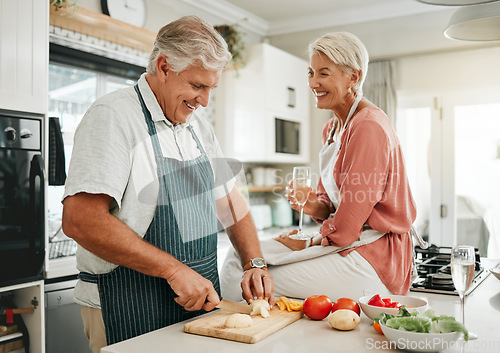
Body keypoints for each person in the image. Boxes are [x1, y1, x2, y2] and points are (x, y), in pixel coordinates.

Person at [61, 16, 274, 353]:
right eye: (197, 86)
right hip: (127, 304)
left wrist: (254, 262)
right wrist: (173, 270)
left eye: (210, 89)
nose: (204, 101)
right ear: (163, 66)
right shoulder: (113, 116)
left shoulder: (198, 128)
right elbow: (80, 220)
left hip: (198, 306)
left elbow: (231, 202)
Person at [220, 32, 417, 302]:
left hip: (375, 260)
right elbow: (332, 206)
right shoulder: (332, 128)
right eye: (311, 72)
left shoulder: (368, 126)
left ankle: (248, 337)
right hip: (350, 245)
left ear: (353, 77)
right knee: (242, 257)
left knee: (247, 278)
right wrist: (314, 206)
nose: (313, 83)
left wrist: (307, 241)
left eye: (324, 73)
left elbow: (346, 228)